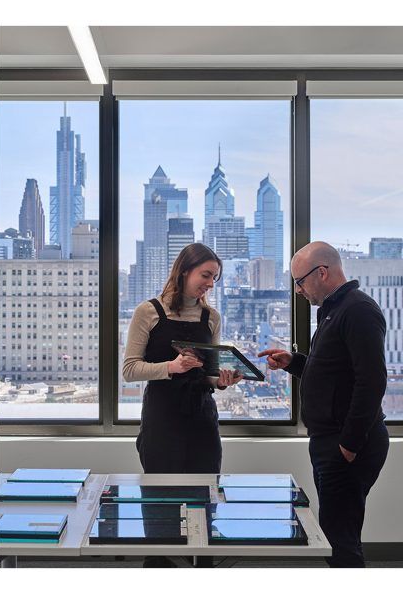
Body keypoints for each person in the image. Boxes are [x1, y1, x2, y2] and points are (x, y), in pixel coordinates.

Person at [258, 241, 389, 568]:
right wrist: (293, 362)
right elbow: (333, 375)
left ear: (323, 273)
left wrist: (348, 444)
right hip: (332, 440)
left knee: (338, 541)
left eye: (300, 281)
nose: (299, 290)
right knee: (337, 533)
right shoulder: (335, 312)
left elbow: (372, 381)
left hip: (347, 443)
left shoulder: (358, 310)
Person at [123, 243, 242, 482]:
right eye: (206, 275)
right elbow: (130, 370)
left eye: (215, 278)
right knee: (161, 502)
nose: (210, 284)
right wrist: (172, 367)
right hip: (162, 418)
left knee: (205, 497)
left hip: (202, 418)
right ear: (185, 270)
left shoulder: (212, 317)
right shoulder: (148, 311)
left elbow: (208, 372)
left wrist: (220, 381)